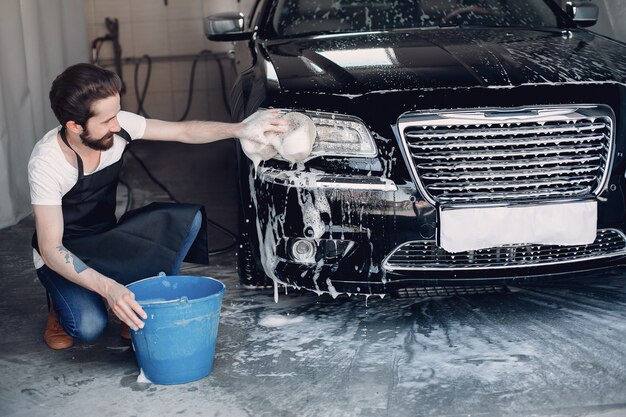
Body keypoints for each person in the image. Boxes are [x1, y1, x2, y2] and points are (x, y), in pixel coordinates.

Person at [28, 63, 287, 350]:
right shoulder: (47, 162)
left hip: (105, 238)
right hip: (65, 251)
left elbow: (184, 131)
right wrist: (109, 289)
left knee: (186, 221)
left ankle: (138, 295)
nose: (117, 125)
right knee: (88, 327)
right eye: (106, 121)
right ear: (75, 126)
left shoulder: (117, 125)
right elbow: (52, 249)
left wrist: (239, 129)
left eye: (117, 114)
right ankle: (60, 305)